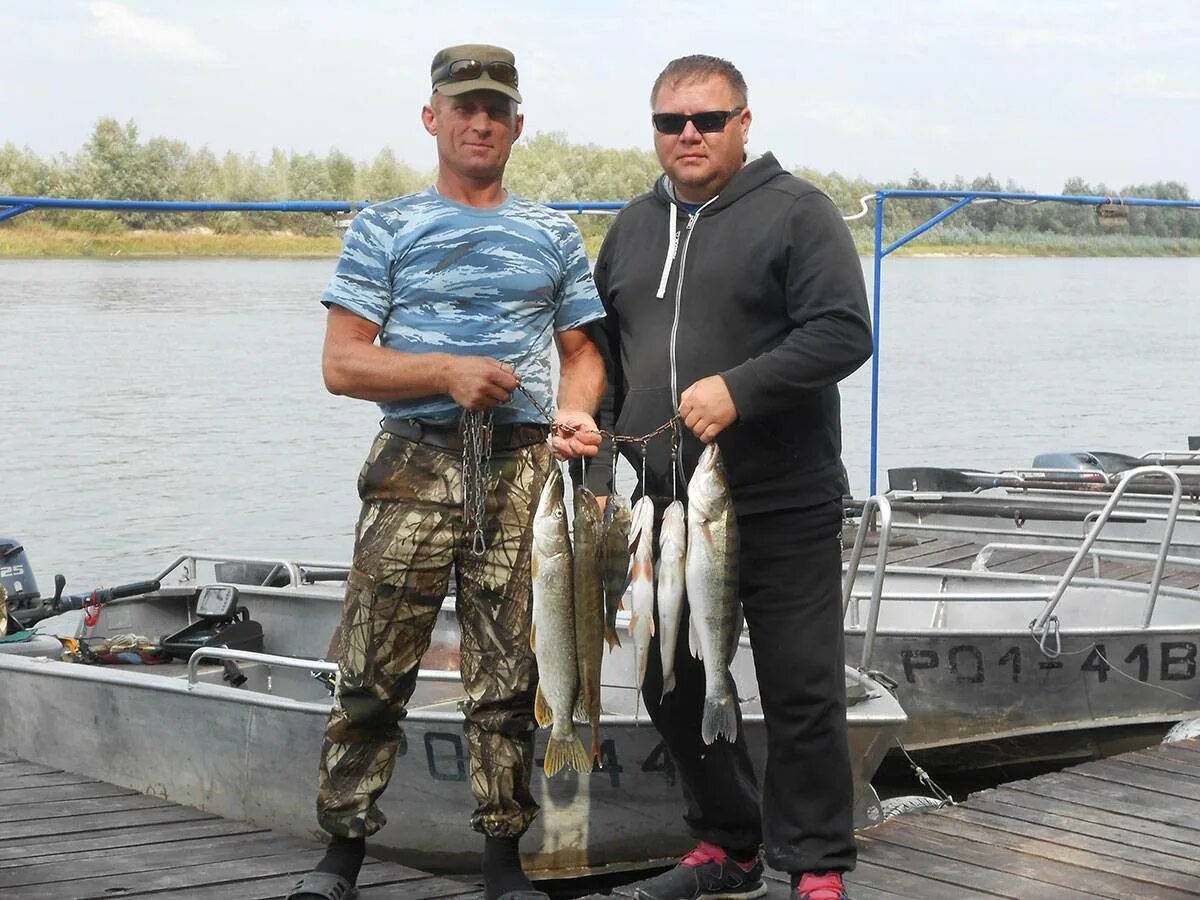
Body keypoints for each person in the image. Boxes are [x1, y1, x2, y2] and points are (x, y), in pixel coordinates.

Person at [288, 43, 606, 900]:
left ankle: (504, 864)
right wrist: (444, 370)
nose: (479, 121)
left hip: (520, 473)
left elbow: (582, 353)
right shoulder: (383, 227)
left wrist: (576, 410)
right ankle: (340, 857)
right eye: (464, 106)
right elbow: (342, 365)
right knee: (371, 671)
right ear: (432, 117)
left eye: (496, 109)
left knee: (509, 678)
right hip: (414, 464)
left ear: (517, 127)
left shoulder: (552, 233)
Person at [581, 56, 872, 900]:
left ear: (745, 122)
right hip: (662, 506)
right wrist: (599, 457)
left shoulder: (799, 213)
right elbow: (600, 356)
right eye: (671, 123)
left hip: (781, 499)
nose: (690, 136)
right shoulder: (631, 227)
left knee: (801, 687)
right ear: (655, 132)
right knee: (670, 676)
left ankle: (815, 864)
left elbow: (843, 333)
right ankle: (729, 846)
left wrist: (739, 389)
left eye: (708, 119)